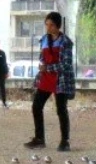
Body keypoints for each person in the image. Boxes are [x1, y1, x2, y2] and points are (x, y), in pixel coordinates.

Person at [23, 11, 75, 152]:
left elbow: (66, 64)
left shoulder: (66, 42)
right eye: (47, 25)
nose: (48, 28)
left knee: (61, 109)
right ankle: (39, 139)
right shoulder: (44, 40)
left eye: (51, 25)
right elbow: (42, 57)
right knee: (36, 106)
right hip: (46, 78)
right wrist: (42, 65)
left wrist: (49, 67)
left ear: (58, 26)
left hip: (61, 79)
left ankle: (65, 141)